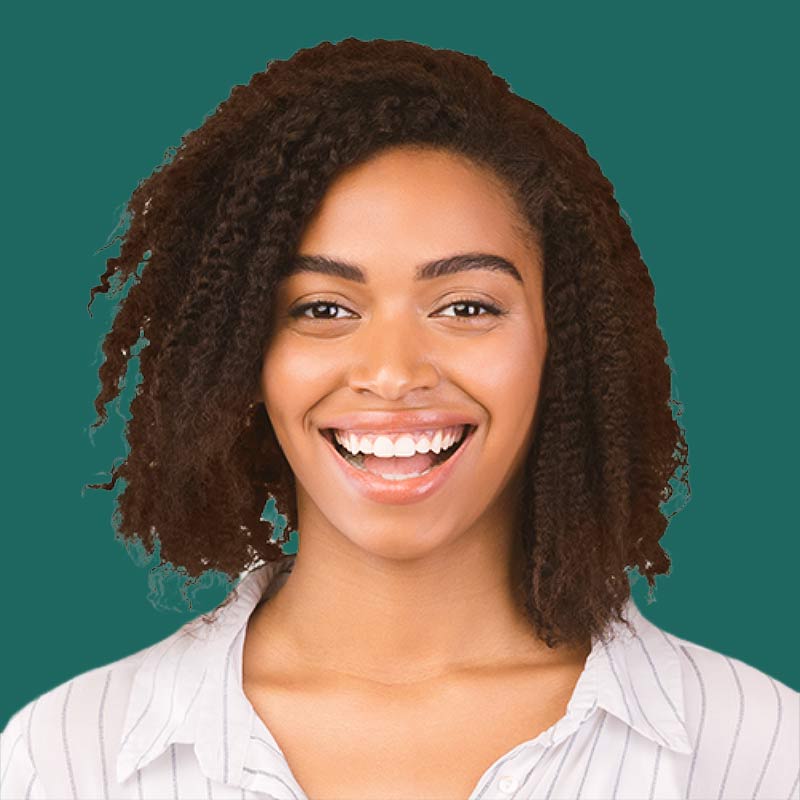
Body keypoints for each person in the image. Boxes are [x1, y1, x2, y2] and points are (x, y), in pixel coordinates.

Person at [1, 37, 797, 800]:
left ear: (565, 345)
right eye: (323, 308)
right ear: (242, 355)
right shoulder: (67, 762)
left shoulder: (759, 755)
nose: (392, 373)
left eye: (466, 307)